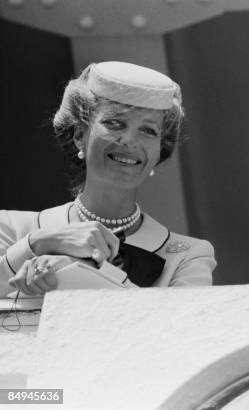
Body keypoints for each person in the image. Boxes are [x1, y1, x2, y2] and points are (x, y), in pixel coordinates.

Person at [0, 61, 216, 297]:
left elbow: (183, 330)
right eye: (114, 123)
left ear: (158, 153)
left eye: (148, 130)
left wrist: (78, 272)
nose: (130, 141)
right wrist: (38, 243)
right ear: (80, 136)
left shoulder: (189, 256)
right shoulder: (11, 229)